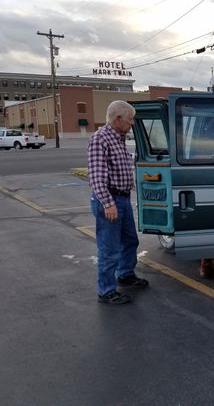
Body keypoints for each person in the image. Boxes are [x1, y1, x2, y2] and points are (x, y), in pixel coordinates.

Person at [88, 100, 148, 305]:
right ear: (117, 119)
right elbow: (96, 177)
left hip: (122, 199)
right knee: (109, 248)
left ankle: (125, 274)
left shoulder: (119, 138)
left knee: (130, 240)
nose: (132, 124)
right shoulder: (100, 139)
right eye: (130, 120)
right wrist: (108, 203)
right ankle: (106, 291)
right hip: (110, 201)